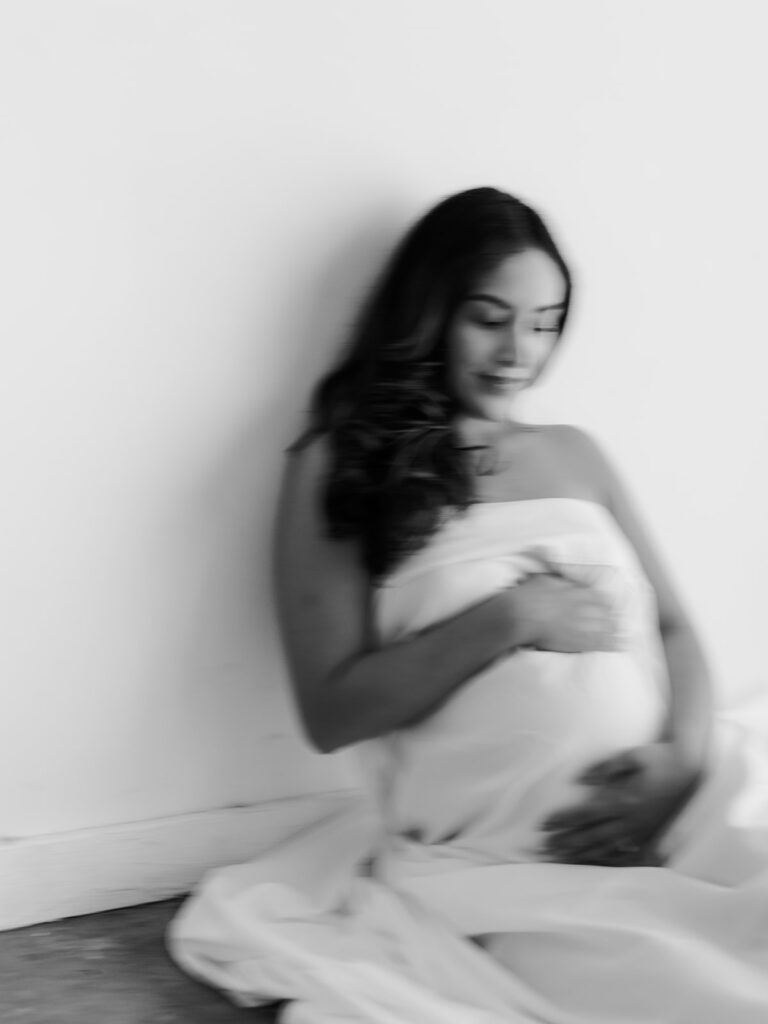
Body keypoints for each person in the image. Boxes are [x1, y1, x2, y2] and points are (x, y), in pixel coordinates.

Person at [168, 188, 768, 1023]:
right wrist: (511, 619)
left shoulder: (574, 454)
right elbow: (333, 711)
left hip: (677, 798)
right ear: (430, 310)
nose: (519, 352)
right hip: (508, 865)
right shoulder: (338, 464)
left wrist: (683, 762)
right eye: (490, 318)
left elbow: (674, 628)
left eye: (545, 321)